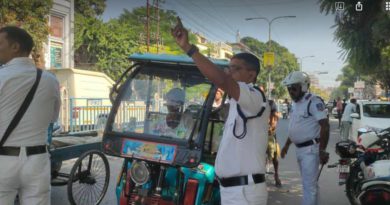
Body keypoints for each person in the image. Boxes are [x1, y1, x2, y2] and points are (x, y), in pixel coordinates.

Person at [172, 17, 270, 205]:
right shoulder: (236, 104)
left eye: (235, 68)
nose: (228, 72)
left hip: (244, 192)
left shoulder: (255, 96)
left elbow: (223, 81)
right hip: (232, 190)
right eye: (228, 68)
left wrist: (189, 49)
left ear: (251, 74)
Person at [0, 26, 60, 205]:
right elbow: (53, 118)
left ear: (15, 46)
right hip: (37, 160)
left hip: (3, 161)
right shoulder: (50, 80)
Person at [280, 71, 329, 205]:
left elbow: (325, 126)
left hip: (310, 150)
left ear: (304, 86)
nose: (290, 91)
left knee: (309, 186)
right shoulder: (296, 104)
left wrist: (322, 150)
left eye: (294, 88)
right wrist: (286, 145)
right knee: (310, 185)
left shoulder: (313, 101)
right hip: (300, 149)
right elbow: (295, 128)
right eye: (289, 88)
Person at [266, 99, 282, 187]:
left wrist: (273, 126)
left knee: (275, 156)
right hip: (258, 132)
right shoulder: (255, 102)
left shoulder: (270, 103)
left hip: (270, 132)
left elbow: (276, 116)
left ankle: (276, 175)